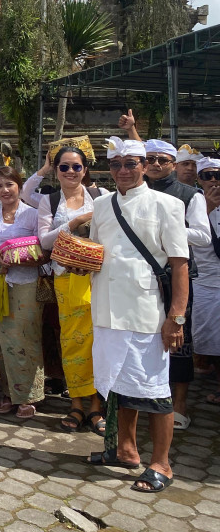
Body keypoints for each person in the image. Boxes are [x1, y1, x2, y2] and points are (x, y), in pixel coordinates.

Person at [87, 137, 188, 494]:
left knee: (155, 391)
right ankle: (125, 450)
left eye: (131, 164)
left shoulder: (168, 204)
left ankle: (162, 463)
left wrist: (176, 317)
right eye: (116, 165)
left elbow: (179, 265)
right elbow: (96, 253)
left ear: (144, 166)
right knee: (116, 385)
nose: (123, 171)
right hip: (104, 309)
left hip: (146, 312)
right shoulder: (101, 205)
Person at [140, 138, 210, 430]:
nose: (156, 164)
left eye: (162, 160)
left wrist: (170, 229)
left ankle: (179, 404)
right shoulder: (132, 191)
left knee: (179, 340)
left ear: (173, 164)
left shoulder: (190, 194)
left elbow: (203, 236)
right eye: (151, 159)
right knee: (144, 334)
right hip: (141, 274)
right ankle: (145, 397)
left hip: (176, 275)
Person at [36, 147, 106, 434]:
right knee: (73, 341)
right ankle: (77, 403)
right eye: (64, 167)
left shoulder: (101, 197)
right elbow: (44, 241)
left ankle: (97, 406)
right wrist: (74, 222)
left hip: (99, 278)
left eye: (76, 167)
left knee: (99, 341)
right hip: (66, 279)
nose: (70, 173)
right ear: (56, 171)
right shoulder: (49, 200)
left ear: (85, 170)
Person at [0, 166, 45, 418]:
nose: (5, 190)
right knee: (3, 339)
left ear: (19, 185)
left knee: (26, 336)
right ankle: (8, 393)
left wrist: (23, 258)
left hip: (27, 284)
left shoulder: (33, 215)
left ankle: (29, 395)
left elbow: (45, 251)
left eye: (9, 185)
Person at [190, 157, 220, 404]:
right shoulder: (194, 201)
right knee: (207, 336)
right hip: (205, 281)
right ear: (199, 179)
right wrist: (208, 208)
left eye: (217, 175)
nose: (212, 180)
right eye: (207, 176)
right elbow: (189, 235)